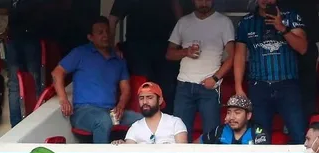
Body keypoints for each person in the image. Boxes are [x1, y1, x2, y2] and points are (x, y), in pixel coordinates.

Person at [52, 16, 143, 143]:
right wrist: (63, 99)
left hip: (110, 112)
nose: (105, 35)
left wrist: (121, 105)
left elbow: (126, 89)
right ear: (90, 37)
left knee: (142, 120)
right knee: (102, 120)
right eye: (100, 32)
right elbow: (57, 73)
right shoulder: (80, 53)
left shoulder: (118, 60)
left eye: (107, 31)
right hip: (84, 112)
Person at [233, 0, 309, 144]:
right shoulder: (246, 22)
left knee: (298, 135)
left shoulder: (291, 16)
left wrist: (281, 27)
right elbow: (240, 56)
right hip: (259, 86)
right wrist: (238, 87)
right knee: (260, 139)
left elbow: (303, 48)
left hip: (288, 85)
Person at [167, 0, 235, 137]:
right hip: (184, 86)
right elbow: (169, 54)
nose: (203, 2)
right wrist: (186, 52)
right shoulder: (183, 22)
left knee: (211, 136)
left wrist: (215, 78)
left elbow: (233, 56)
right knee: (180, 135)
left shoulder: (224, 22)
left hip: (209, 87)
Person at [109, 0, 184, 106]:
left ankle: (165, 118)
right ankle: (145, 118)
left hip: (163, 45)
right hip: (137, 47)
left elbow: (177, 12)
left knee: (167, 87)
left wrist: (181, 40)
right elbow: (112, 20)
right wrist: (112, 49)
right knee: (144, 86)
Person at [0, 0, 51, 127]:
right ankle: (33, 125)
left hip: (15, 38)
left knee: (14, 85)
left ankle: (16, 127)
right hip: (28, 40)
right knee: (33, 83)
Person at [120, 81, 190, 144]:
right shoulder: (135, 127)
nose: (145, 102)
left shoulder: (175, 123)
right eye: (141, 98)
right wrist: (120, 145)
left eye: (149, 97)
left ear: (160, 100)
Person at [199, 95, 269, 144]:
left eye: (237, 113)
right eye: (229, 112)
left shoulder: (258, 133)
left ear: (248, 116)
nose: (232, 117)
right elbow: (195, 146)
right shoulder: (219, 131)